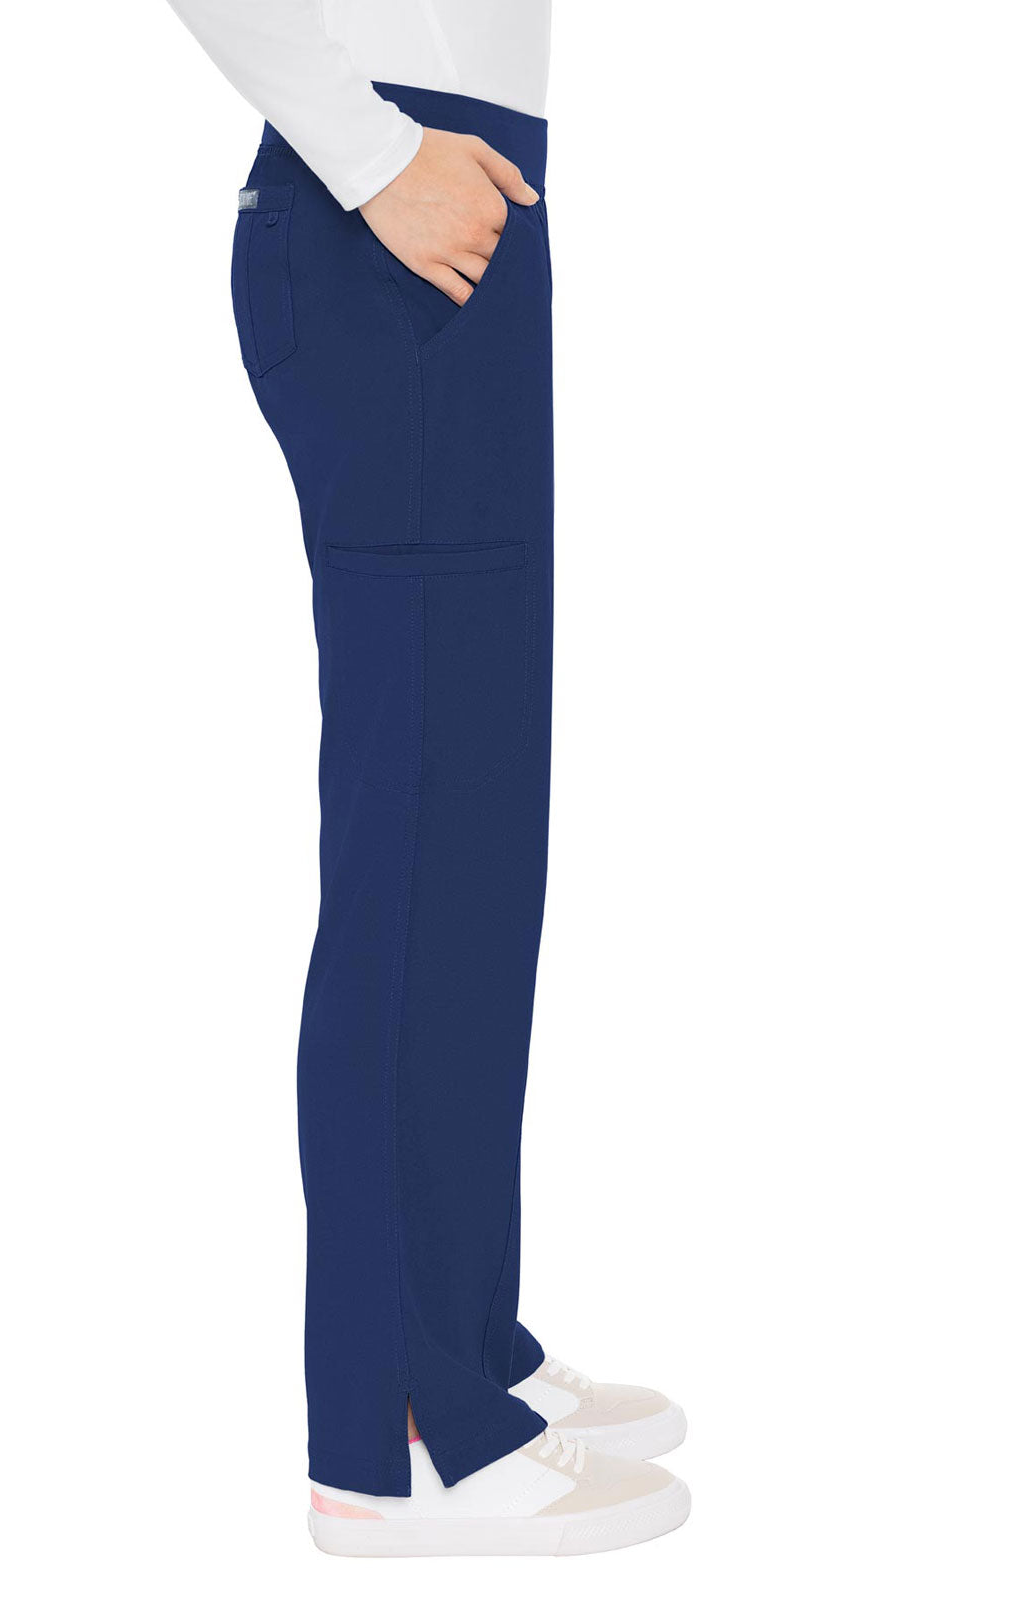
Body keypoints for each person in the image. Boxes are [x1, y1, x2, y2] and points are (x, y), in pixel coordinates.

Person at [164, 0, 691, 1556]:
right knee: (413, 847)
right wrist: (372, 152)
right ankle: (388, 1436)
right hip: (389, 200)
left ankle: (458, 1347)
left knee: (472, 838)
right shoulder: (381, 165)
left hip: (447, 200)